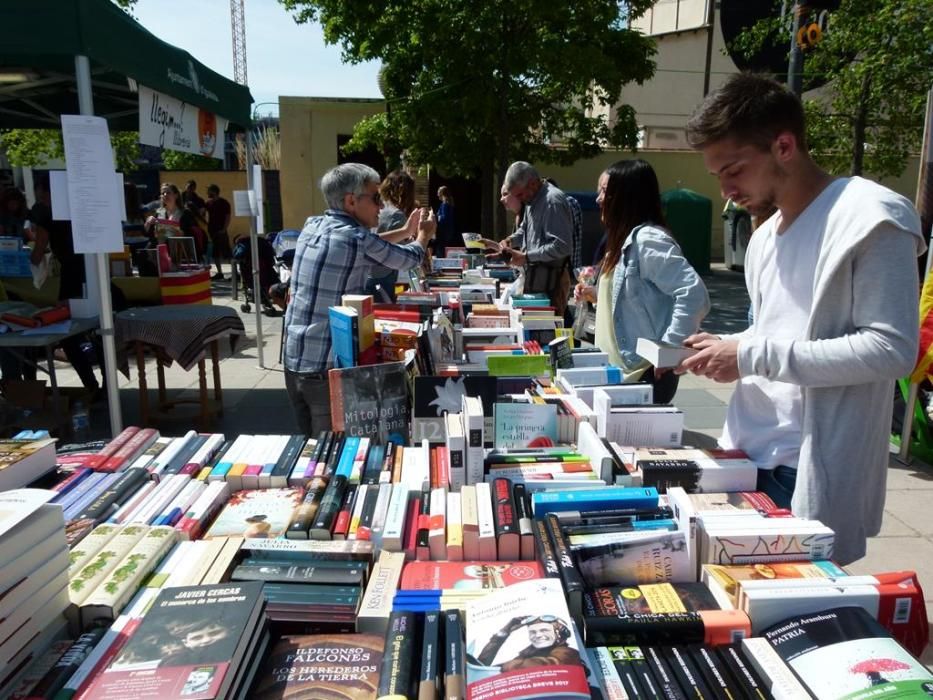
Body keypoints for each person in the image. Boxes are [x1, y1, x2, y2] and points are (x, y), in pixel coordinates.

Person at [677, 73, 924, 564]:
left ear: (784, 146)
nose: (726, 191)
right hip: (743, 455)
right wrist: (725, 347)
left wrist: (749, 354)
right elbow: (777, 333)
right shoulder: (766, 238)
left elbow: (892, 349)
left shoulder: (871, 217)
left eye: (735, 170)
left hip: (808, 469)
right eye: (718, 177)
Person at [284, 163, 436, 436]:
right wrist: (423, 234)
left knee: (306, 450)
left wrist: (404, 231)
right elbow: (409, 258)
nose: (381, 206)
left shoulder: (313, 225)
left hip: (295, 359)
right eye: (375, 198)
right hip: (324, 367)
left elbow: (370, 243)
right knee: (327, 453)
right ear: (351, 201)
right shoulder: (355, 239)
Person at [574, 159, 709, 404]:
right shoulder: (622, 240)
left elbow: (693, 294)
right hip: (622, 373)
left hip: (642, 375)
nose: (598, 199)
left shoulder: (647, 240)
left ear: (626, 197)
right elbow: (630, 295)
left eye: (605, 191)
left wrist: (669, 349)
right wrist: (594, 293)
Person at [28, 173, 104, 394]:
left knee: (70, 334)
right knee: (98, 331)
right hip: (93, 271)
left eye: (43, 196)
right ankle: (104, 385)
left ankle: (92, 385)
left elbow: (38, 250)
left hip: (72, 276)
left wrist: (27, 261)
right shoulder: (81, 207)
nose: (41, 200)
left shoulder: (47, 214)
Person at [493, 162, 574, 316]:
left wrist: (526, 257)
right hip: (536, 280)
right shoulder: (532, 199)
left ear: (533, 184)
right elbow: (524, 230)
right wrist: (509, 241)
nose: (520, 200)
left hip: (552, 284)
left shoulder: (552, 201)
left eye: (520, 195)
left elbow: (562, 246)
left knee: (549, 332)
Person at [364, 170, 420, 302]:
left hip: (366, 273)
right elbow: (401, 254)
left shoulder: (375, 208)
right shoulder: (396, 215)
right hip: (384, 274)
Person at [476, 615, 581, 671]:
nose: (538, 635)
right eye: (533, 632)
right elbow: (481, 665)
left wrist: (497, 669)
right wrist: (506, 631)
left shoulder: (568, 653)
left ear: (560, 634)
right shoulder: (528, 654)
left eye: (544, 630)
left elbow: (547, 664)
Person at [205, 184, 232, 280]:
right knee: (215, 253)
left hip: (221, 231)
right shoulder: (208, 203)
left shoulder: (224, 203)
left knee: (226, 252)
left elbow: (227, 216)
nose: (207, 194)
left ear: (214, 192)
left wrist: (224, 229)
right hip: (212, 231)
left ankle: (234, 273)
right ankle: (220, 272)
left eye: (209, 192)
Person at [435, 185, 462, 257]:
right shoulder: (449, 203)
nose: (437, 194)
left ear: (442, 193)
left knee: (441, 251)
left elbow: (444, 218)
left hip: (444, 231)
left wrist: (436, 217)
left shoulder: (445, 204)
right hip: (449, 231)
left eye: (438, 192)